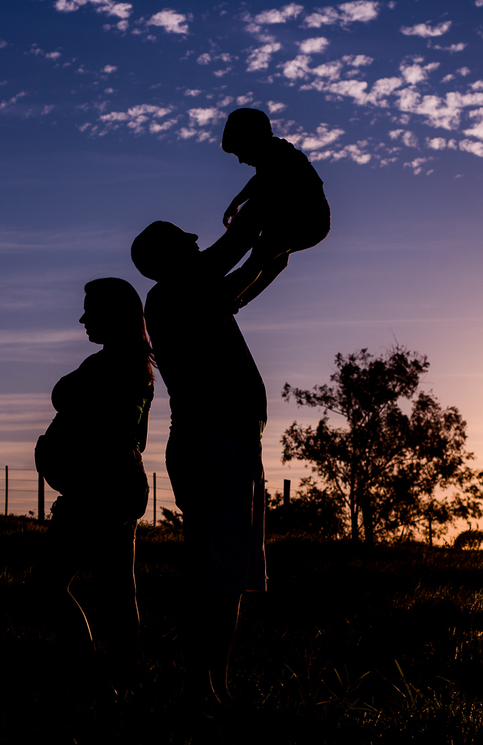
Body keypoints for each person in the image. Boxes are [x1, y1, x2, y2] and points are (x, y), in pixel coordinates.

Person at [130, 220, 268, 705]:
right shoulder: (172, 295)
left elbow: (234, 286)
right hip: (214, 445)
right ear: (169, 256)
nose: (195, 240)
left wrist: (271, 254)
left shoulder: (189, 295)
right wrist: (263, 228)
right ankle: (201, 688)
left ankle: (212, 686)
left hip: (224, 444)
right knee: (215, 574)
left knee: (223, 574)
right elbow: (230, 256)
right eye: (183, 239)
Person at [33, 277, 154, 696]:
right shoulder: (123, 364)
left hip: (99, 493)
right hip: (108, 489)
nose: (83, 318)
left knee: (50, 585)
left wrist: (73, 466)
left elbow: (117, 433)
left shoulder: (121, 369)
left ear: (114, 316)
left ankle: (93, 676)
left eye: (91, 310)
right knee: (117, 589)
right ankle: (119, 676)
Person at [219, 107, 331, 311]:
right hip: (300, 218)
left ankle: (231, 294)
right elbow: (261, 180)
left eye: (240, 152)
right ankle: (239, 298)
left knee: (263, 254)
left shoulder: (278, 152)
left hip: (307, 218)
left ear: (252, 138)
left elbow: (261, 182)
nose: (241, 160)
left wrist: (237, 201)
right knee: (274, 261)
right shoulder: (275, 155)